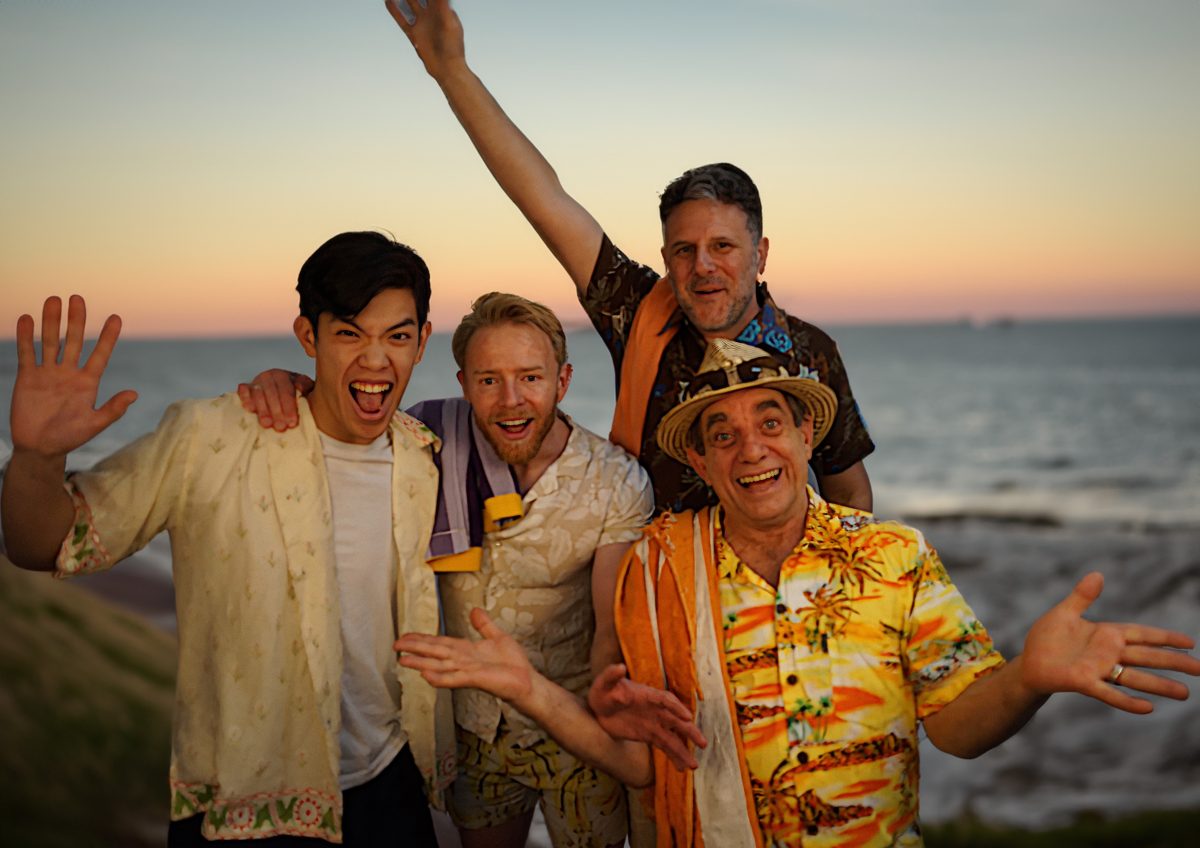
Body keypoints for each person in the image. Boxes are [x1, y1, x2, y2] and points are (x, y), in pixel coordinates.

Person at [395, 338, 1200, 848]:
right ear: (704, 466)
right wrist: (529, 687)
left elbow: (956, 731)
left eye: (771, 422)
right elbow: (642, 764)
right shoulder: (658, 568)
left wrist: (1027, 676)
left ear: (807, 436)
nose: (752, 448)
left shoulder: (894, 554)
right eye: (723, 435)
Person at [1, 233, 454, 846]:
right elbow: (42, 545)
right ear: (308, 336)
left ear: (423, 341)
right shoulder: (209, 436)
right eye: (350, 333)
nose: (376, 360)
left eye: (397, 336)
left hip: (390, 789)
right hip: (240, 804)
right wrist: (35, 458)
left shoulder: (428, 456)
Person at [383, 0, 875, 514]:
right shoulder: (641, 312)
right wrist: (452, 72)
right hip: (655, 582)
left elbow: (848, 492)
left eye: (722, 247)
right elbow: (545, 199)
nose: (702, 266)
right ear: (666, 257)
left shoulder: (811, 353)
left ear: (761, 254)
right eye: (685, 251)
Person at [242, 292, 654, 848]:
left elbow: (611, 633)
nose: (510, 401)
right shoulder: (425, 445)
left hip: (575, 727)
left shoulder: (618, 482)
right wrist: (287, 382)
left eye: (531, 378)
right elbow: (342, 427)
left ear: (563, 380)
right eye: (488, 381)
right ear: (463, 384)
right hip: (472, 729)